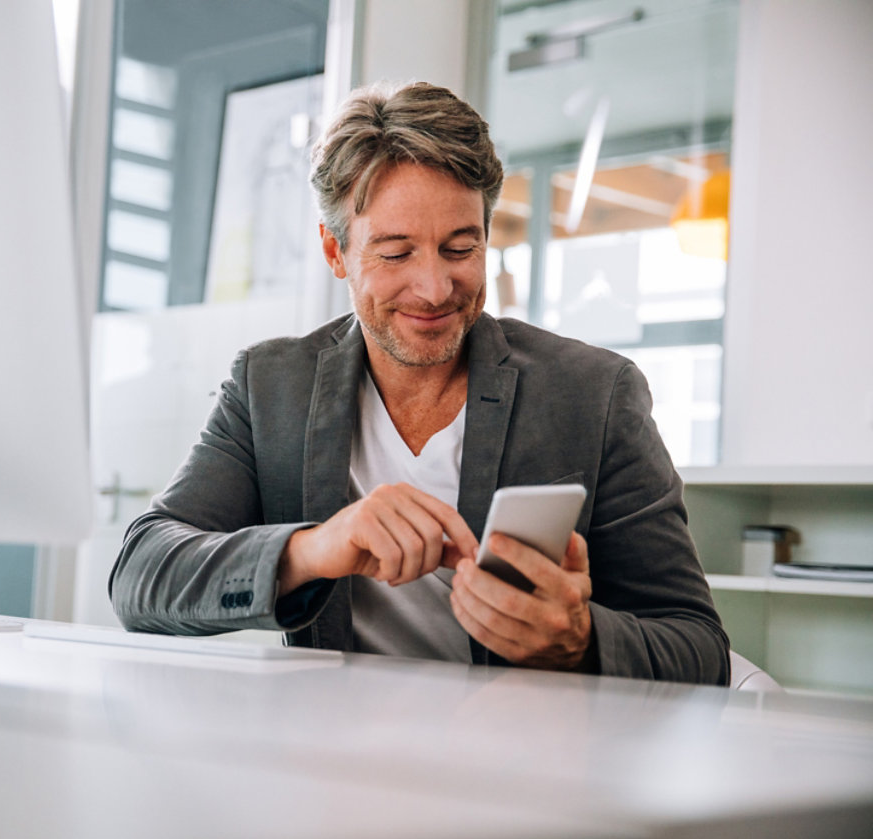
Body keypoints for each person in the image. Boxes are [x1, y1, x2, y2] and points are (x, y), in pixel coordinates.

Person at [109, 81, 729, 685]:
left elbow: (700, 648)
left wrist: (580, 641)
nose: (434, 290)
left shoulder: (595, 392)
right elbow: (141, 577)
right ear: (335, 251)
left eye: (460, 249)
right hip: (334, 757)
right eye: (397, 253)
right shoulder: (270, 386)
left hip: (528, 763)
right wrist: (314, 548)